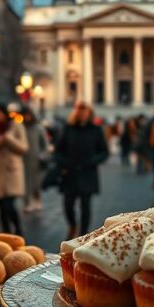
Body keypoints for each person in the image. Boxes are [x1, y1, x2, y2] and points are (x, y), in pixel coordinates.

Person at [54, 101, 109, 238]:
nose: (82, 113)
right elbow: (58, 150)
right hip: (70, 172)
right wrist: (64, 162)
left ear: (89, 113)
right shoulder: (68, 128)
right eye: (79, 110)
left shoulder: (95, 129)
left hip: (87, 172)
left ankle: (83, 234)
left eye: (85, 111)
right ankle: (72, 225)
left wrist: (93, 161)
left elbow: (104, 151)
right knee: (68, 205)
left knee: (85, 206)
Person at [0, 103, 28, 235]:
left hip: (11, 172)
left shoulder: (16, 126)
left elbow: (23, 148)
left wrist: (8, 139)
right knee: (1, 207)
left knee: (9, 205)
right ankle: (6, 234)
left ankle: (18, 230)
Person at [22, 106, 48, 213]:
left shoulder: (39, 129)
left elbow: (45, 145)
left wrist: (42, 155)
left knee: (36, 183)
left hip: (36, 159)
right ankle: (27, 203)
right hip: (23, 159)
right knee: (25, 183)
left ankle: (37, 200)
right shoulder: (22, 128)